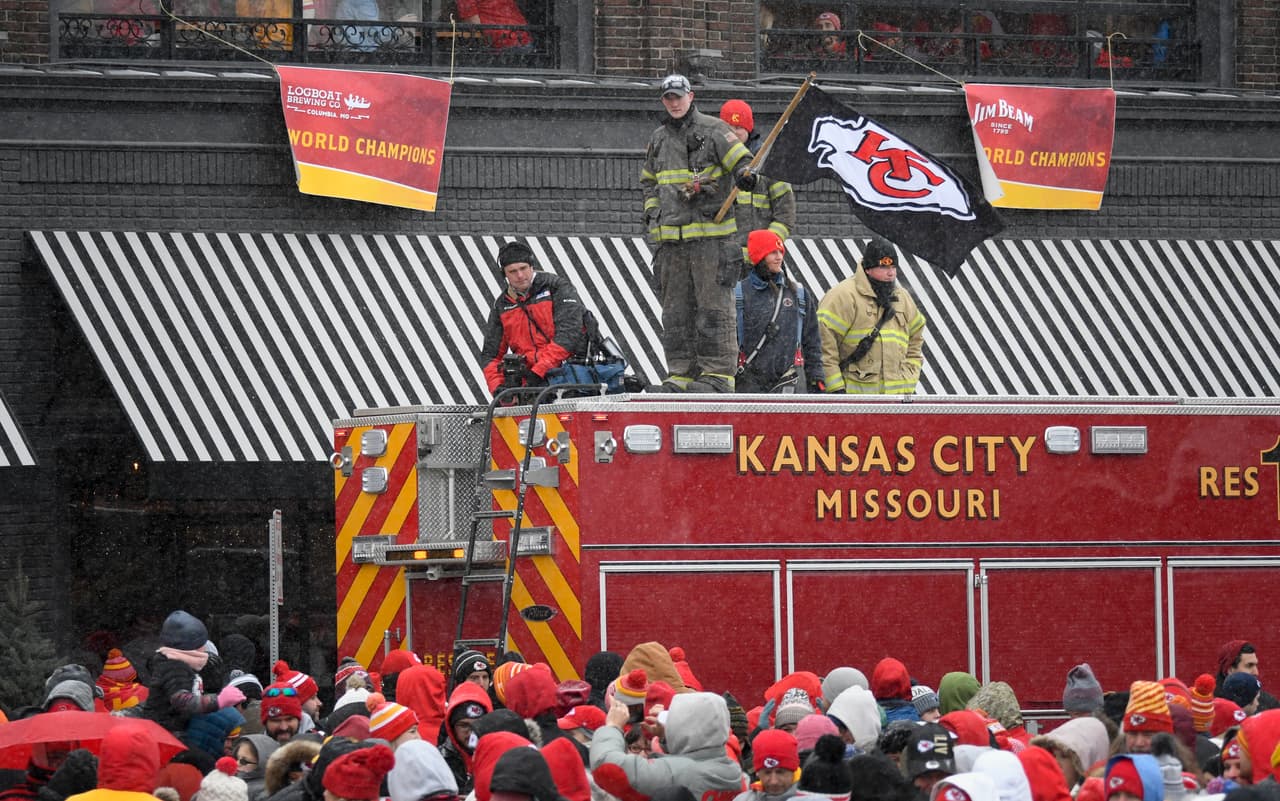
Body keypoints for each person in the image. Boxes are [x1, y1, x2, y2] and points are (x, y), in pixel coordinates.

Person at [642, 73, 754, 393]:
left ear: (691, 97)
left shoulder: (715, 129)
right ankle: (681, 374)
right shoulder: (659, 139)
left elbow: (741, 161)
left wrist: (746, 175)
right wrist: (653, 213)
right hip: (671, 245)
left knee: (713, 310)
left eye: (679, 96)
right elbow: (649, 182)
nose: (674, 103)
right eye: (668, 98)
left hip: (711, 241)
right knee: (675, 313)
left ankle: (717, 375)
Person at [817, 235, 926, 395]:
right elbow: (823, 347)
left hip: (897, 402)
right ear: (868, 268)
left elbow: (916, 340)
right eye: (884, 267)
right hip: (855, 403)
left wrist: (908, 378)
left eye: (894, 267)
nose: (891, 274)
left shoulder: (903, 298)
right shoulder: (842, 296)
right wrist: (836, 391)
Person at [479, 240, 588, 397]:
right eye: (512, 271)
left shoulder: (556, 287)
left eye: (523, 268)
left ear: (532, 266)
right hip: (530, 387)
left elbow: (568, 336)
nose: (520, 275)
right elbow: (491, 355)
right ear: (504, 274)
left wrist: (539, 371)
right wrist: (498, 388)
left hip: (569, 380)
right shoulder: (501, 306)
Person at [733, 231, 823, 394]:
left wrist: (816, 378)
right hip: (749, 384)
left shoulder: (799, 294)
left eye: (781, 252)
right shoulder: (739, 294)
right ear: (760, 256)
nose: (779, 257)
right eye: (773, 252)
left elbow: (812, 341)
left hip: (789, 381)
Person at [718, 100, 796, 258]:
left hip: (759, 262)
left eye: (739, 127)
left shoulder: (770, 163)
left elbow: (785, 214)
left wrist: (765, 247)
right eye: (728, 128)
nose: (734, 132)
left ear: (749, 128)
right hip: (721, 259)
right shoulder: (712, 161)